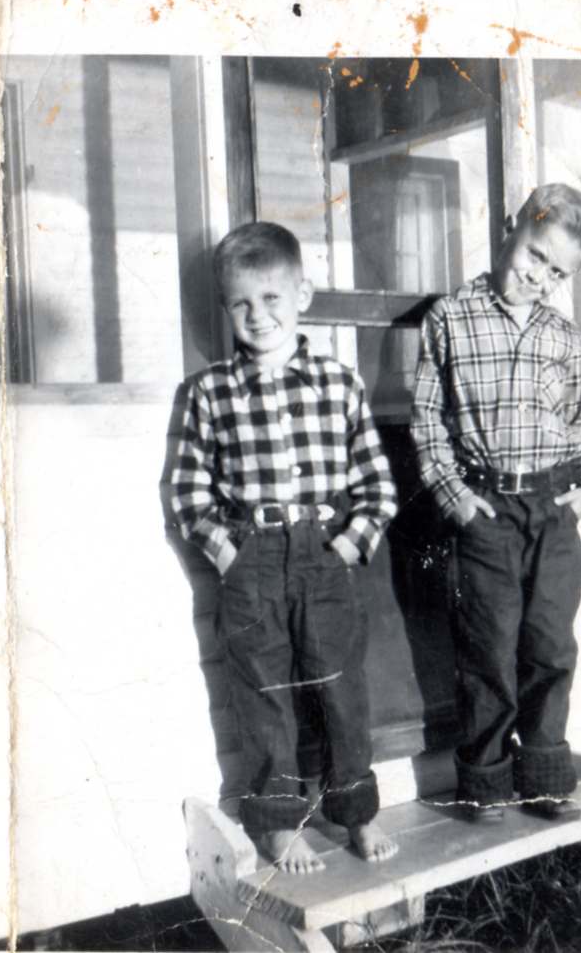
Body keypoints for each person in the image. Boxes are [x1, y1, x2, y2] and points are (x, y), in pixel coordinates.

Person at [169, 221, 399, 873]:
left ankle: (355, 809)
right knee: (264, 691)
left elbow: (377, 485)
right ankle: (275, 822)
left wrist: (348, 547)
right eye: (241, 302)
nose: (257, 315)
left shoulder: (339, 384)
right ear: (225, 307)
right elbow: (187, 492)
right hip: (253, 559)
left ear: (302, 295)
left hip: (323, 554)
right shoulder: (209, 393)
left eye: (271, 298)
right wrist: (229, 554)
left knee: (340, 687)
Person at [410, 184, 581, 823]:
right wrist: (458, 501)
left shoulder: (563, 336)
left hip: (553, 508)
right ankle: (486, 784)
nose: (539, 277)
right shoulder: (450, 319)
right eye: (534, 255)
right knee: (489, 649)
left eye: (557, 272)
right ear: (508, 229)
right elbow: (428, 423)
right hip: (487, 510)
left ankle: (546, 777)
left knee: (551, 646)